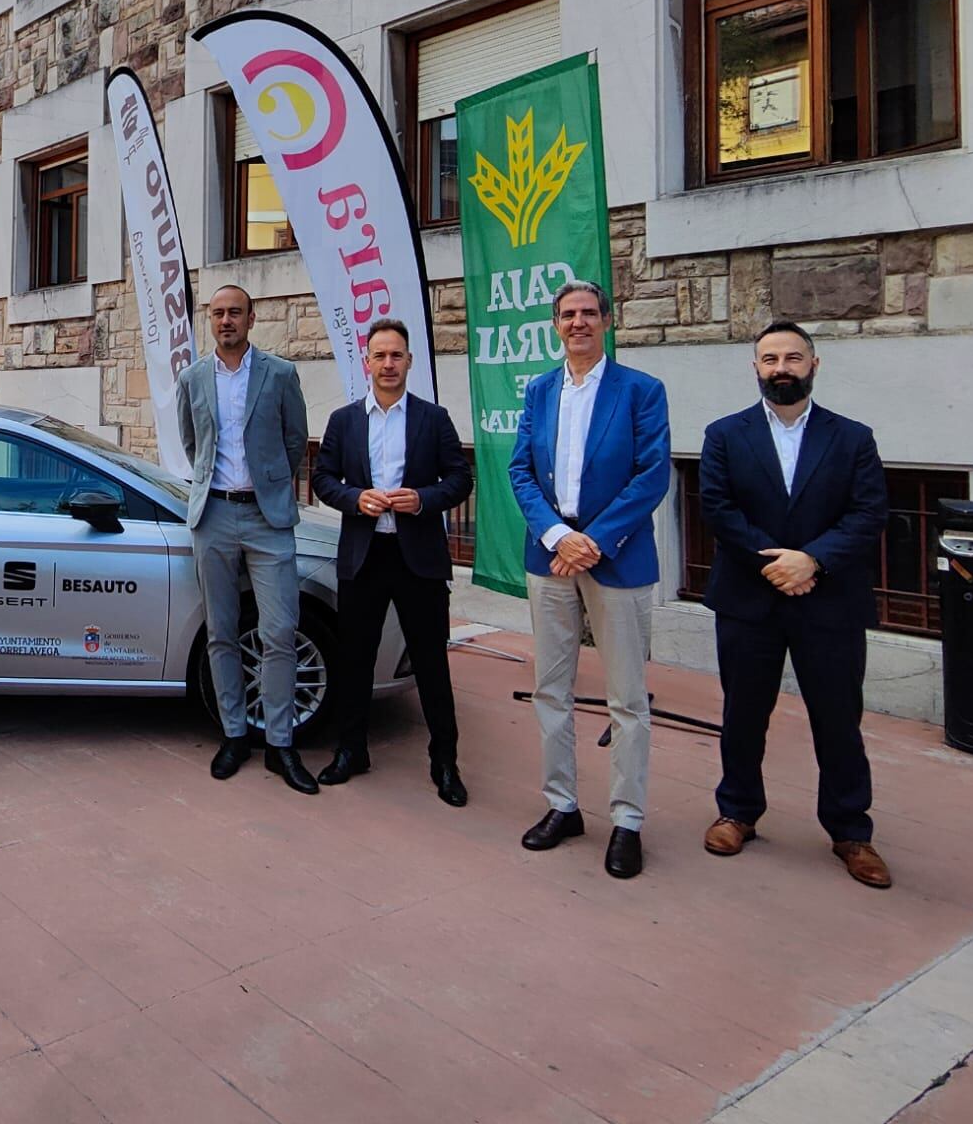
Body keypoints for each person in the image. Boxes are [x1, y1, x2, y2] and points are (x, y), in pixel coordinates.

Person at [698, 320, 892, 889]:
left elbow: (869, 513)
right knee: (742, 715)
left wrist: (811, 561)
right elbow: (717, 507)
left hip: (829, 601)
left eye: (792, 358)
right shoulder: (724, 434)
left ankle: (851, 831)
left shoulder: (853, 437)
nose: (780, 368)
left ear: (814, 364)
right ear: (755, 368)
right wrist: (775, 566)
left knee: (838, 721)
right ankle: (737, 812)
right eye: (769, 359)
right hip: (748, 599)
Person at [509, 280, 669, 879]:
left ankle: (627, 820)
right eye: (567, 315)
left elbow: (651, 475)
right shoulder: (540, 390)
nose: (578, 323)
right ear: (555, 325)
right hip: (550, 556)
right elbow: (520, 469)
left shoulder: (641, 392)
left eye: (588, 314)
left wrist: (592, 543)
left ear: (607, 320)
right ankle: (562, 805)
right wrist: (557, 536)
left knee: (626, 699)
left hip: (616, 558)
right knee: (551, 689)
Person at [311, 318, 474, 800]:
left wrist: (422, 499)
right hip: (364, 556)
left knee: (430, 664)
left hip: (417, 559)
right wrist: (355, 498)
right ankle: (351, 750)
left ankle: (445, 763)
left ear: (409, 361)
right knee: (355, 659)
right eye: (379, 355)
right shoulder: (344, 421)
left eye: (396, 355)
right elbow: (323, 479)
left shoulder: (433, 418)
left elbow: (460, 479)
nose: (388, 364)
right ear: (367, 361)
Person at [176, 284, 316, 793]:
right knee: (221, 631)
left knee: (280, 631)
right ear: (209, 321)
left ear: (252, 318)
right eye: (218, 314)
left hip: (267, 518)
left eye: (235, 312)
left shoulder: (280, 374)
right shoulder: (192, 378)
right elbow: (193, 444)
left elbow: (295, 439)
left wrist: (271, 485)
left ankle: (281, 744)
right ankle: (234, 734)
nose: (226, 320)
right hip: (213, 515)